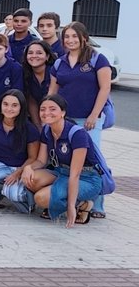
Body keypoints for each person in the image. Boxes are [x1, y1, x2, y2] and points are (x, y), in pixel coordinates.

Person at [49, 21, 112, 218]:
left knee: (93, 160)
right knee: (66, 158)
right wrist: (49, 114)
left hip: (88, 119)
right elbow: (53, 91)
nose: (70, 40)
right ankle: (75, 199)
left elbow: (105, 88)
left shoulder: (97, 59)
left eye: (74, 36)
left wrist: (94, 115)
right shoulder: (60, 62)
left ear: (84, 37)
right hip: (64, 120)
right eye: (67, 37)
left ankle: (98, 204)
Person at [24, 94, 108, 227]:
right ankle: (57, 198)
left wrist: (70, 207)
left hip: (86, 178)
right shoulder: (47, 130)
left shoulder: (77, 134)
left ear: (62, 112)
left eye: (52, 109)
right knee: (30, 179)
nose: (46, 113)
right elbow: (41, 161)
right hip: (61, 171)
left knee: (40, 198)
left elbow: (75, 174)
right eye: (42, 109)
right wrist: (28, 168)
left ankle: (82, 204)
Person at [0, 89, 40, 213]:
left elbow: (33, 158)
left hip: (20, 168)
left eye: (14, 105)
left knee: (16, 195)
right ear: (0, 105)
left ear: (21, 107)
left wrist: (18, 173)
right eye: (5, 104)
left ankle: (25, 202)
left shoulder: (30, 128)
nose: (9, 108)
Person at [21, 41, 54, 126]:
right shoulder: (26, 75)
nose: (34, 56)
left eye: (39, 53)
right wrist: (38, 127)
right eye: (30, 53)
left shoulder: (54, 72)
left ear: (47, 56)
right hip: (39, 116)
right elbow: (32, 102)